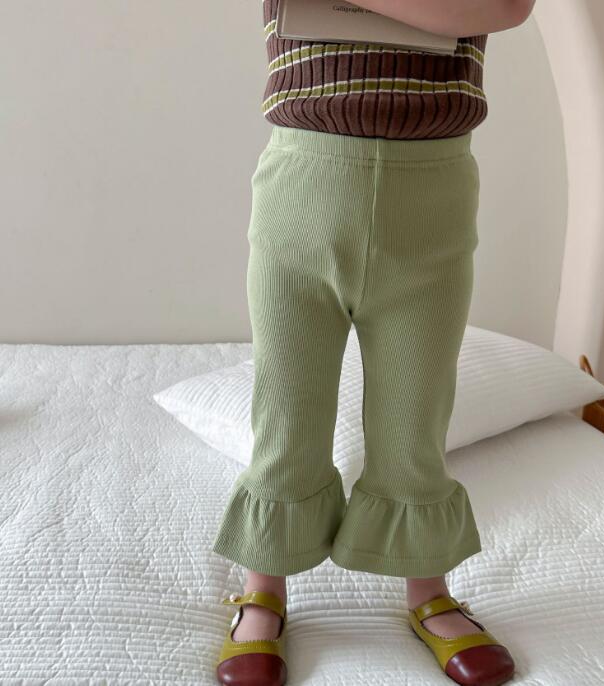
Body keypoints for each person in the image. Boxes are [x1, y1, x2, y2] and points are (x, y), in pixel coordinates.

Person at [213, 1, 535, 684]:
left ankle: (428, 591)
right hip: (304, 181)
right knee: (287, 408)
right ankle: (263, 589)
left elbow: (508, 6)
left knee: (416, 413)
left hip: (434, 193)